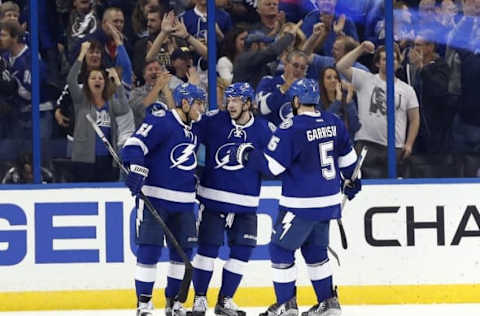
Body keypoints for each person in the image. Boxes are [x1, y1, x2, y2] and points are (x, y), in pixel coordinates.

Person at [228, 79, 361, 316]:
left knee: (280, 249)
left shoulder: (291, 127)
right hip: (328, 203)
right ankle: (328, 303)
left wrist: (247, 154)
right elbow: (349, 164)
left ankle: (286, 304)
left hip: (300, 204)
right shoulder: (334, 121)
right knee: (315, 252)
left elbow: (273, 167)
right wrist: (353, 182)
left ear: (296, 101)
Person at [190, 83, 275, 316]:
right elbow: (187, 138)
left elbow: (274, 165)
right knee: (207, 250)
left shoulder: (263, 129)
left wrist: (254, 157)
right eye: (229, 99)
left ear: (248, 103)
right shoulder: (213, 121)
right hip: (213, 199)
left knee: (242, 252)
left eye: (236, 100)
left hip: (246, 204)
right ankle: (199, 299)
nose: (231, 104)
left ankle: (225, 299)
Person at [121, 83, 206, 316]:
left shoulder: (196, 129)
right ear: (186, 103)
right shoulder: (161, 121)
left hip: (185, 202)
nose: (202, 109)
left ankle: (174, 302)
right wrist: (137, 166)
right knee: (149, 251)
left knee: (183, 254)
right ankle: (144, 304)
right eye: (199, 104)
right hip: (156, 199)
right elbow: (132, 146)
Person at [336, 41, 420, 178]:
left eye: (393, 59)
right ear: (377, 63)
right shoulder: (365, 79)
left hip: (394, 148)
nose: (390, 62)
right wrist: (361, 48)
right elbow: (341, 66)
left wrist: (409, 144)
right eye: (385, 59)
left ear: (398, 63)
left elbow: (415, 119)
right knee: (359, 184)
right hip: (366, 144)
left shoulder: (407, 90)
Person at [67, 41, 134, 182]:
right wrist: (81, 54)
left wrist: (117, 83)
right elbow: (71, 80)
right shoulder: (81, 100)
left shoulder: (110, 102)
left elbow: (124, 108)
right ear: (87, 82)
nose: (97, 80)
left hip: (108, 161)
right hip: (84, 161)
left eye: (100, 78)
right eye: (93, 78)